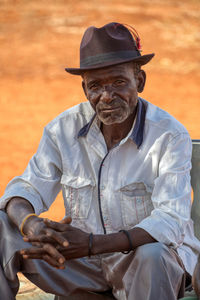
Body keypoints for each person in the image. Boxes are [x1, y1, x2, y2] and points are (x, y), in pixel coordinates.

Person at [0, 22, 200, 300]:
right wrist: (32, 225)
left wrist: (93, 244)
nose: (106, 96)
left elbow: (170, 220)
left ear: (139, 81)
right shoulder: (62, 130)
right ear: (84, 90)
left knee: (153, 253)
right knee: (2, 224)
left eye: (119, 82)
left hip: (142, 267)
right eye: (95, 86)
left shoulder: (168, 134)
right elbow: (25, 190)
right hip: (80, 263)